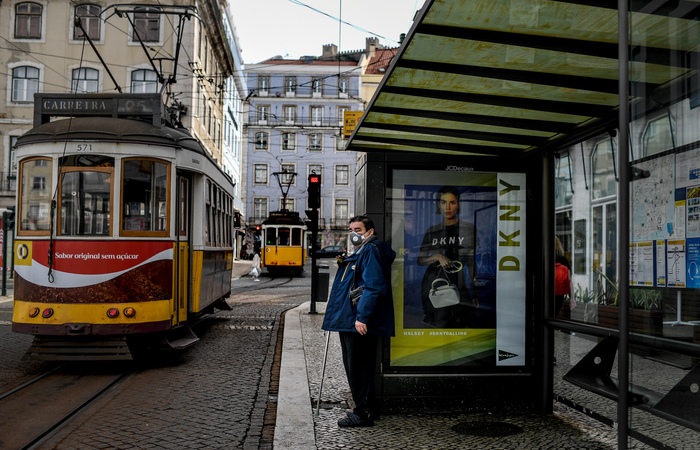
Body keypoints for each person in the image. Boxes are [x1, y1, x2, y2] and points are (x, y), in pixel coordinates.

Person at [322, 215, 396, 428]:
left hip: (357, 322)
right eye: (351, 229)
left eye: (358, 229)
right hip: (351, 320)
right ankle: (369, 408)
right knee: (358, 367)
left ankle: (362, 413)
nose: (353, 233)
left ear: (370, 231)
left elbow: (374, 287)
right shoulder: (362, 251)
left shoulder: (370, 251)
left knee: (358, 369)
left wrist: (362, 317)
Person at [417, 186, 479, 328]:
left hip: (458, 281)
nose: (448, 207)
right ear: (439, 204)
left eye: (452, 202)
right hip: (434, 282)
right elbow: (420, 260)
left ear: (459, 204)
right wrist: (438, 256)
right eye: (443, 202)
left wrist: (476, 289)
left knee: (462, 324)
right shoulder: (432, 230)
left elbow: (471, 260)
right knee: (436, 324)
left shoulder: (467, 228)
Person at [554, 236, 571, 317]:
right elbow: (569, 279)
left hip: (545, 293)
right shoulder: (563, 259)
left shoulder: (544, 258)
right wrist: (572, 297)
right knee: (554, 315)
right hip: (559, 294)